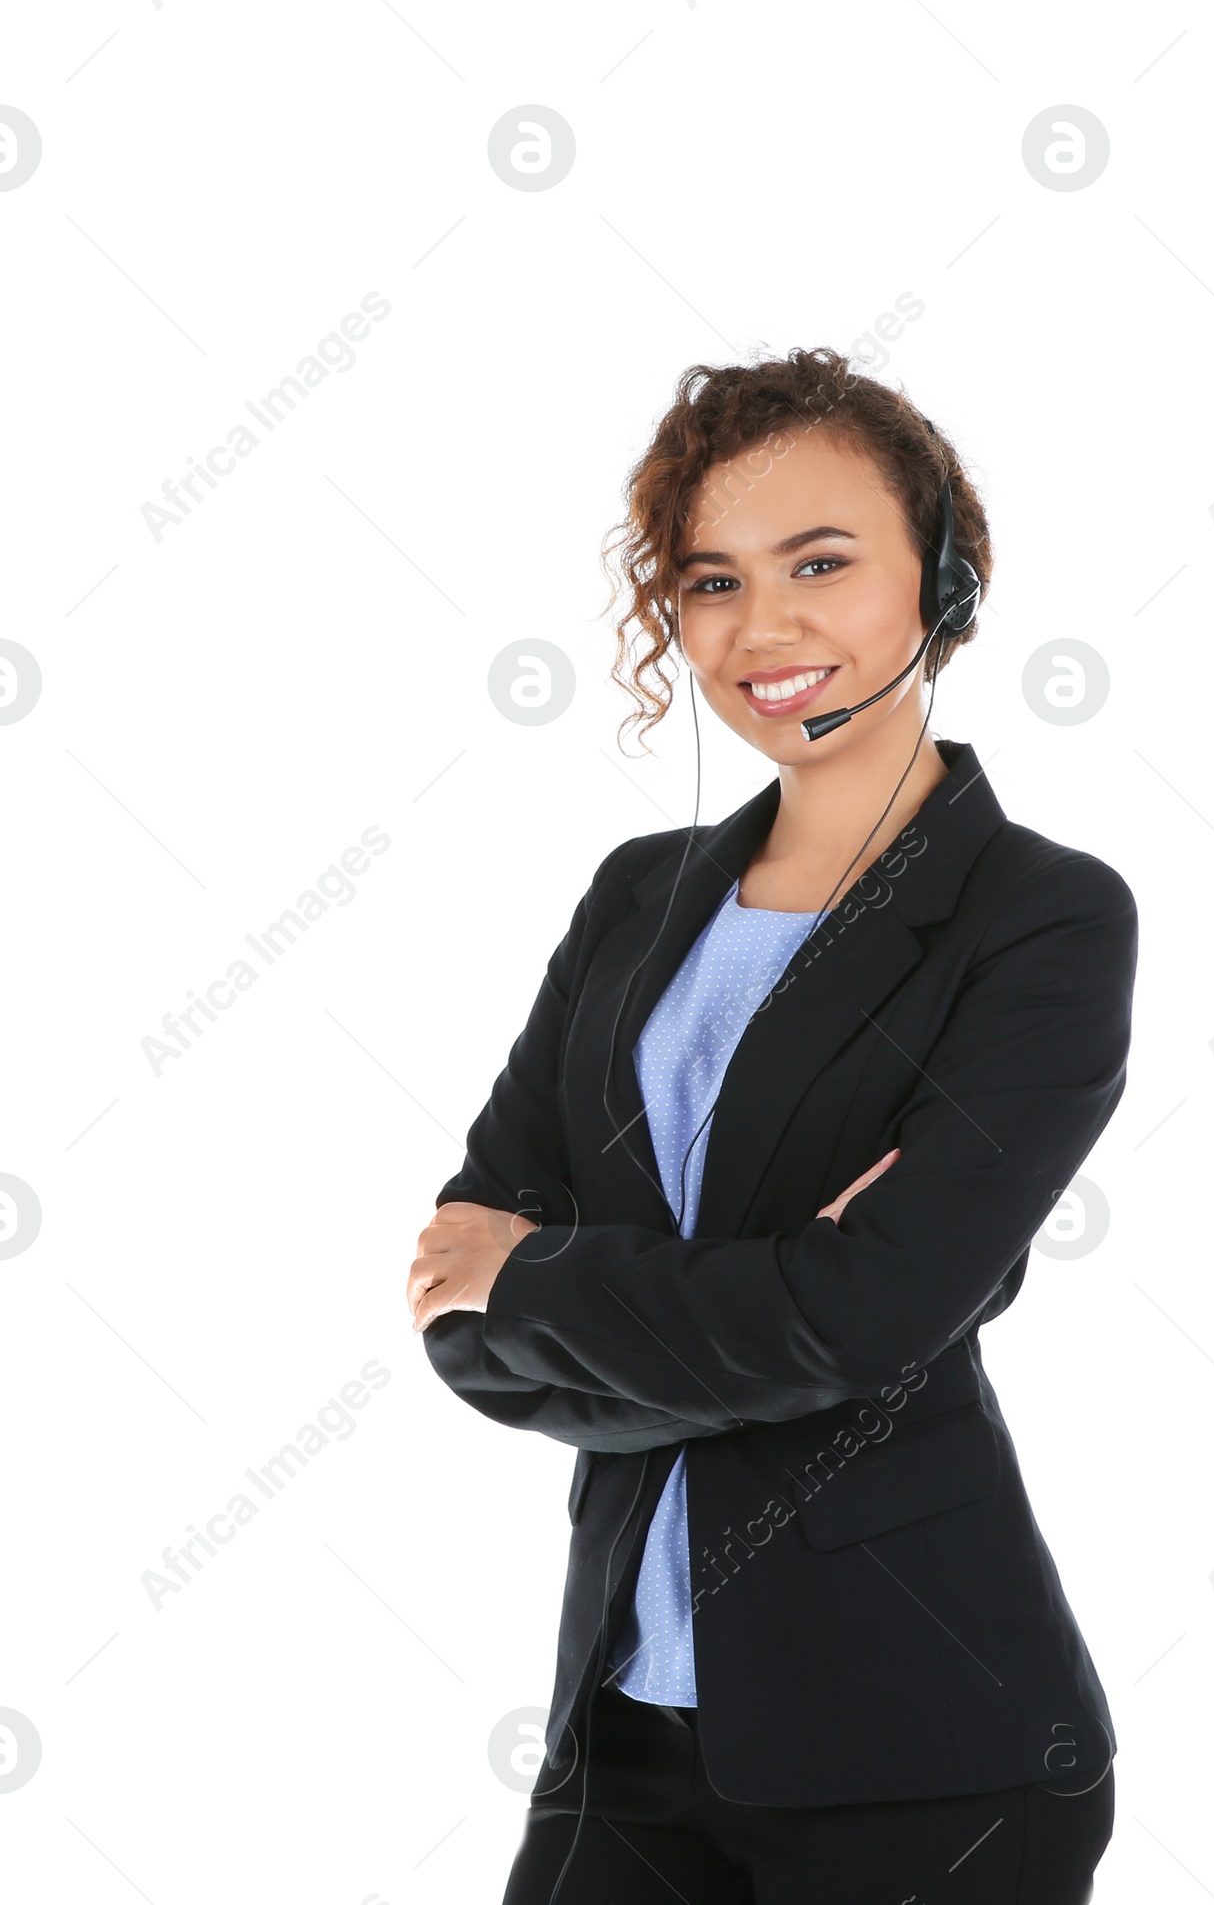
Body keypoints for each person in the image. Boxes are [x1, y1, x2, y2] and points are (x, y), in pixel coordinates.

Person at [406, 347, 1138, 1903]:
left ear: (941, 576)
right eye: (713, 580)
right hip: (623, 1730)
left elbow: (862, 1311)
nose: (767, 628)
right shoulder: (635, 894)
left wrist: (547, 1278)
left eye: (822, 561)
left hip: (927, 1751)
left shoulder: (1040, 917)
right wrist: (760, 1310)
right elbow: (452, 1314)